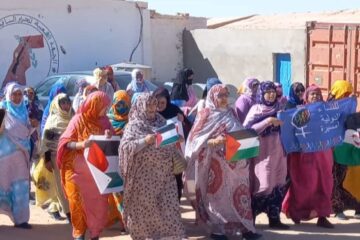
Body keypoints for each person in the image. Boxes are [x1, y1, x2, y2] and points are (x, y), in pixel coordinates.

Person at [185, 85, 261, 240]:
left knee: (240, 195)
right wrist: (213, 141)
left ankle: (246, 228)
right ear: (213, 97)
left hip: (235, 166)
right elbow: (194, 140)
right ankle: (218, 230)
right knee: (217, 198)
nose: (224, 98)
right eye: (220, 95)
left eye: (226, 94)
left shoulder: (231, 112)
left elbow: (239, 131)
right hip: (214, 165)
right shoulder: (205, 115)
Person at [119, 93, 186, 240]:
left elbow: (168, 140)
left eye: (153, 104)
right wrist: (144, 141)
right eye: (147, 104)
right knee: (145, 212)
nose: (151, 108)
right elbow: (125, 148)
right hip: (143, 180)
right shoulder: (134, 125)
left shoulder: (161, 121)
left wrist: (176, 138)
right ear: (140, 106)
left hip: (165, 176)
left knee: (168, 209)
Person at [57, 92, 113, 240]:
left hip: (96, 176)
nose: (105, 111)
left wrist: (108, 135)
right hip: (76, 174)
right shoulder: (77, 120)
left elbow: (111, 143)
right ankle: (79, 235)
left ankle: (95, 235)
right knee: (77, 206)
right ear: (94, 105)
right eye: (103, 107)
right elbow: (65, 142)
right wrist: (82, 144)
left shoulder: (105, 121)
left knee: (98, 208)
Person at [282, 84, 334, 228]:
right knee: (304, 184)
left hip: (323, 154)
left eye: (318, 94)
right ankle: (296, 213)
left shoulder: (327, 111)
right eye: (312, 94)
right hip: (305, 156)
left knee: (325, 184)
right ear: (306, 97)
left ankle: (322, 216)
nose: (316, 96)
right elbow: (292, 131)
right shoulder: (300, 112)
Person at [243, 81, 289, 230]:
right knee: (264, 185)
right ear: (261, 94)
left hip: (280, 153)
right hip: (263, 154)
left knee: (278, 184)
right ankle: (252, 218)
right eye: (267, 92)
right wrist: (268, 121)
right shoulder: (256, 109)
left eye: (273, 92)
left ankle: (274, 218)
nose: (271, 95)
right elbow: (247, 130)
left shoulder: (280, 108)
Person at [0, 82, 32, 229]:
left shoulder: (24, 111)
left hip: (21, 155)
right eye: (14, 94)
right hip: (3, 157)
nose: (17, 97)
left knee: (21, 186)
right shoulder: (3, 110)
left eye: (20, 94)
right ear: (8, 95)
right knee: (3, 185)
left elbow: (27, 131)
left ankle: (21, 220)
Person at [153, 87, 192, 201]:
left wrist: (183, 121)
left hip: (174, 156)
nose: (159, 105)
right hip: (157, 157)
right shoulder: (151, 113)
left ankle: (175, 205)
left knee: (175, 181)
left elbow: (189, 130)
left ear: (168, 101)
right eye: (157, 102)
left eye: (162, 103)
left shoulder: (175, 110)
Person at [328, 80, 360, 220]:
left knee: (343, 181)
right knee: (333, 181)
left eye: (349, 93)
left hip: (345, 151)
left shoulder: (350, 108)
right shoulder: (327, 109)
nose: (347, 97)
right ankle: (337, 209)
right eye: (344, 94)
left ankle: (355, 206)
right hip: (330, 151)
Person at [41, 93, 73, 221]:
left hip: (72, 156)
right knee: (61, 185)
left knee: (73, 183)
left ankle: (75, 209)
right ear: (57, 105)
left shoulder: (73, 117)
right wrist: (47, 159)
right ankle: (68, 212)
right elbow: (45, 142)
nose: (66, 106)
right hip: (56, 158)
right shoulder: (52, 120)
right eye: (63, 103)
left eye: (67, 102)